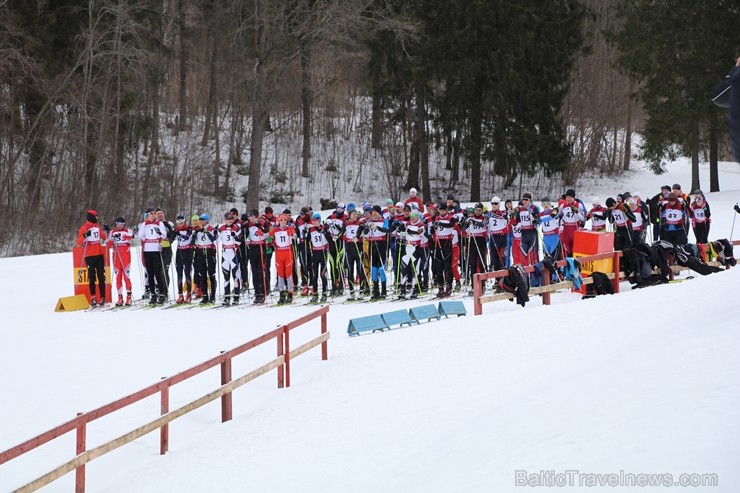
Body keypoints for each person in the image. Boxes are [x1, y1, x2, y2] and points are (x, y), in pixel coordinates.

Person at [76, 210, 108, 307]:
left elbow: (104, 237)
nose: (97, 218)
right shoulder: (85, 227)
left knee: (101, 276)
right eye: (96, 216)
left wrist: (107, 231)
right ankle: (93, 297)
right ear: (91, 217)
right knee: (92, 277)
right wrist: (85, 236)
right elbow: (79, 242)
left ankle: (103, 297)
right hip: (89, 256)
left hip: (99, 255)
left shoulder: (97, 227)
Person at [138, 208, 168, 304]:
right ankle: (153, 294)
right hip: (147, 250)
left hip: (156, 250)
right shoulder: (144, 224)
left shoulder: (159, 223)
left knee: (157, 273)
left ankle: (162, 294)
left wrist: (159, 233)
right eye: (151, 213)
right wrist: (143, 236)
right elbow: (140, 236)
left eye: (154, 213)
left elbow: (164, 235)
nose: (153, 215)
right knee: (150, 274)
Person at [268, 213, 297, 304]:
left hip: (288, 253)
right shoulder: (275, 229)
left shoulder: (289, 228)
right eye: (281, 220)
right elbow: (267, 237)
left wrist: (291, 235)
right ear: (278, 221)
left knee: (288, 274)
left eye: (285, 220)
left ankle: (290, 294)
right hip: (279, 254)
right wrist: (269, 240)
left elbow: (295, 237)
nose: (283, 221)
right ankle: (281, 295)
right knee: (280, 275)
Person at [216, 212, 243, 305]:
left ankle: (236, 297)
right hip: (224, 254)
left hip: (233, 254)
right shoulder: (221, 228)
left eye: (231, 218)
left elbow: (240, 242)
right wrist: (215, 233)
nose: (230, 220)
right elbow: (216, 241)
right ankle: (227, 297)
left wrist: (235, 237)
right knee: (226, 277)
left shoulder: (236, 228)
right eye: (228, 219)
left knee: (235, 277)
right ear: (225, 220)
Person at [430, 202, 456, 297]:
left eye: (444, 210)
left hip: (447, 243)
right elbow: (432, 231)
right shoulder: (436, 218)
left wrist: (440, 223)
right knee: (439, 266)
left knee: (447, 266)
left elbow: (451, 225)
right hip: (438, 242)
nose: (442, 212)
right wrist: (434, 227)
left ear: (447, 210)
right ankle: (440, 287)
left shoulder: (450, 218)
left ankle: (449, 286)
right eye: (440, 210)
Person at [365, 205, 391, 299]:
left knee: (381, 269)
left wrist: (377, 227)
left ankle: (383, 290)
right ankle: (375, 290)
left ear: (379, 212)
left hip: (382, 245)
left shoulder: (384, 220)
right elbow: (365, 234)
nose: (374, 214)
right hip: (373, 246)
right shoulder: (370, 221)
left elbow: (386, 230)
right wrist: (368, 227)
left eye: (375, 212)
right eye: (372, 212)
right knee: (374, 270)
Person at [343, 208, 368, 300]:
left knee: (360, 270)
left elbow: (365, 231)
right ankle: (352, 291)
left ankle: (361, 290)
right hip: (349, 248)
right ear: (349, 215)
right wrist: (344, 238)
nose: (355, 216)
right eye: (353, 214)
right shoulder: (346, 223)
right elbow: (342, 234)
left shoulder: (360, 223)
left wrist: (359, 236)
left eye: (356, 214)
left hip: (358, 247)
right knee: (350, 270)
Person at [245, 210, 269, 304]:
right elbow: (245, 234)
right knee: (254, 271)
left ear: (256, 216)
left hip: (261, 247)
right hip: (253, 248)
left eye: (251, 216)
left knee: (260, 271)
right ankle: (257, 293)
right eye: (249, 217)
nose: (250, 218)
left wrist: (262, 233)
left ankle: (263, 292)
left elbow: (269, 234)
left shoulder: (263, 222)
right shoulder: (248, 224)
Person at [108, 217, 134, 306]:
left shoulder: (128, 231)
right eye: (118, 224)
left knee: (126, 277)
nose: (119, 226)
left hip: (125, 258)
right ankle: (120, 297)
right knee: (118, 278)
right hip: (116, 258)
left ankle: (129, 297)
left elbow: (131, 237)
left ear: (124, 225)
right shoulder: (112, 232)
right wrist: (110, 236)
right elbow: (108, 244)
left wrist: (121, 236)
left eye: (121, 224)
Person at [193, 213, 218, 304]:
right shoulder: (198, 229)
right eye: (200, 220)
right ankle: (205, 295)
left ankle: (213, 295)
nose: (201, 221)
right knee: (202, 274)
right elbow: (193, 241)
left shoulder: (211, 228)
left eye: (203, 220)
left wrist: (206, 232)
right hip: (201, 252)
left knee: (211, 274)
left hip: (210, 251)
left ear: (207, 220)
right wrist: (195, 234)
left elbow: (214, 239)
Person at [510, 192, 540, 266]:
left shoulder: (534, 208)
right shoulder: (520, 210)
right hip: (523, 235)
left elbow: (538, 218)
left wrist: (535, 218)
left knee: (533, 257)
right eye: (523, 200)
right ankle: (524, 276)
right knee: (523, 257)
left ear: (530, 201)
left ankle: (535, 276)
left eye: (526, 200)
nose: (524, 201)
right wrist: (512, 215)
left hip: (532, 233)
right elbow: (516, 221)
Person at [307, 213, 330, 303]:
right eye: (313, 221)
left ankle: (324, 293)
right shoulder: (311, 229)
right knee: (314, 275)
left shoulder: (324, 228)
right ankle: (315, 294)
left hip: (323, 252)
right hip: (315, 253)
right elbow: (307, 239)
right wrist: (305, 234)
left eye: (316, 221)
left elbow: (330, 239)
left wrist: (324, 233)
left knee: (323, 274)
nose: (314, 222)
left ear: (319, 220)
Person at [465, 203, 488, 289]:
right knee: (473, 264)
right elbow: (463, 229)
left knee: (482, 263)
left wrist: (475, 223)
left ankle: (482, 284)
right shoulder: (470, 217)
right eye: (476, 210)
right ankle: (473, 285)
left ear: (482, 211)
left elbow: (485, 225)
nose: (477, 212)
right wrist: (466, 222)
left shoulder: (484, 218)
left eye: (479, 210)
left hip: (481, 241)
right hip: (472, 241)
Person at [324, 203, 347, 295]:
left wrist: (338, 235)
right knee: (332, 264)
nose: (339, 209)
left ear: (344, 209)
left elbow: (344, 229)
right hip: (331, 243)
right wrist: (326, 225)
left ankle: (341, 284)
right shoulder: (331, 216)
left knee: (339, 264)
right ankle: (334, 285)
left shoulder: (345, 217)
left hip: (340, 242)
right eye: (338, 208)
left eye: (341, 208)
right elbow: (324, 224)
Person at [555, 189, 584, 257]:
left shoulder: (579, 205)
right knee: (567, 250)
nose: (569, 199)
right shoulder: (563, 205)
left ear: (574, 197)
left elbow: (583, 219)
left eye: (570, 197)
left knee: (574, 250)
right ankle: (567, 264)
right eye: (567, 197)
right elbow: (559, 216)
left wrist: (577, 212)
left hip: (575, 229)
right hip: (566, 230)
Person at [174, 215, 194, 304]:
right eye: (179, 223)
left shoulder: (189, 229)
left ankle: (189, 294)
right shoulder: (176, 229)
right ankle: (180, 294)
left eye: (182, 222)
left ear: (184, 221)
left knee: (187, 273)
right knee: (179, 274)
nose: (180, 224)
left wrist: (179, 234)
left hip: (188, 252)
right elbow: (170, 239)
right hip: (179, 252)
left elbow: (187, 237)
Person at [155, 208, 176, 292]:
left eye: (161, 213)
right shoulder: (154, 224)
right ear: (155, 215)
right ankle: (160, 291)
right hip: (156, 250)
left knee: (164, 271)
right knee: (158, 272)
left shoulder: (168, 223)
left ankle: (165, 291)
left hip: (166, 250)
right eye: (158, 213)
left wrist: (168, 236)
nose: (160, 215)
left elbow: (172, 236)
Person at [295, 207, 313, 296]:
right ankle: (305, 284)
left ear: (307, 214)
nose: (301, 216)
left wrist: (308, 233)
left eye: (303, 214)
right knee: (303, 265)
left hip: (311, 245)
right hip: (302, 244)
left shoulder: (311, 221)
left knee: (311, 265)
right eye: (300, 214)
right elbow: (296, 233)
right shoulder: (298, 221)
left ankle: (313, 285)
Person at [487, 197, 509, 271]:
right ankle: (497, 280)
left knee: (502, 258)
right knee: (494, 259)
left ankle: (503, 279)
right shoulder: (488, 213)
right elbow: (484, 224)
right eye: (492, 203)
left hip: (502, 238)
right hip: (493, 238)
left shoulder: (503, 212)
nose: (494, 205)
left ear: (499, 204)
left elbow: (504, 216)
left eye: (496, 203)